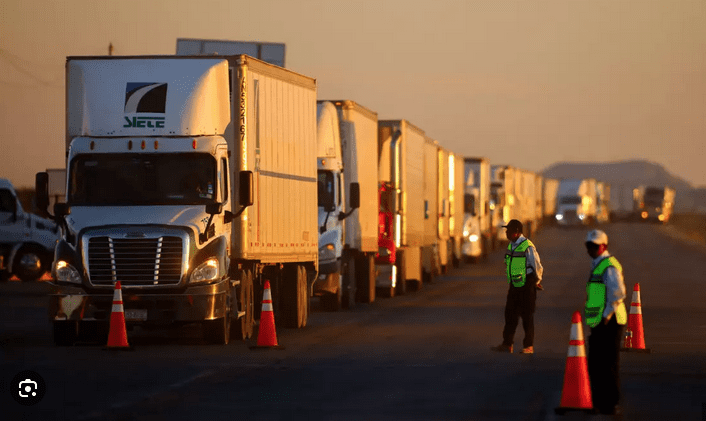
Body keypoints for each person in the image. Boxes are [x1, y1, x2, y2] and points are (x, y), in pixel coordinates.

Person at [584, 229, 627, 415]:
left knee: (608, 363)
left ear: (604, 246)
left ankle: (610, 404)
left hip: (610, 321)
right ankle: (599, 401)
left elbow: (618, 293)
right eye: (588, 246)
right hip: (601, 321)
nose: (591, 249)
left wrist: (606, 317)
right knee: (596, 362)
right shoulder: (598, 263)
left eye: (594, 246)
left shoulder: (609, 266)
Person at [491, 219, 543, 354]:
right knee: (510, 315)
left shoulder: (527, 246)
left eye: (508, 231)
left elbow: (537, 265)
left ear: (516, 232)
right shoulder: (511, 245)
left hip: (527, 285)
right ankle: (507, 344)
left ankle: (528, 346)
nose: (506, 233)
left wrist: (536, 281)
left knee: (527, 317)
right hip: (514, 285)